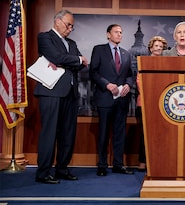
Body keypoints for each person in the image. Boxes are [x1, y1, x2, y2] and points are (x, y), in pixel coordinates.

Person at [34, 10, 89, 184]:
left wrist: (69, 61)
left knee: (68, 133)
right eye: (68, 24)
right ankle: (43, 173)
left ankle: (62, 169)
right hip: (51, 92)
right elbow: (57, 56)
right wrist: (75, 60)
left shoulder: (71, 43)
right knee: (49, 133)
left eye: (72, 26)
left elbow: (79, 64)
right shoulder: (45, 37)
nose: (71, 28)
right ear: (57, 21)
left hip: (70, 93)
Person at [90, 24, 134, 176]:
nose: (119, 34)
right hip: (104, 98)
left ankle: (118, 164)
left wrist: (128, 84)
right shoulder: (99, 50)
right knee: (103, 133)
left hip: (121, 100)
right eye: (116, 32)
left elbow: (130, 74)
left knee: (119, 133)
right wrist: (107, 84)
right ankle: (102, 165)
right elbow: (93, 72)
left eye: (121, 32)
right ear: (108, 34)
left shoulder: (126, 54)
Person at [136, 36, 168, 172]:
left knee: (161, 135)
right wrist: (152, 96)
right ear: (150, 47)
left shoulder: (167, 64)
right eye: (156, 46)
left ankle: (158, 161)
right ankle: (143, 162)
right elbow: (139, 82)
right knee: (145, 134)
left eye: (161, 47)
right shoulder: (144, 62)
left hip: (161, 105)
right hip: (145, 103)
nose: (159, 49)